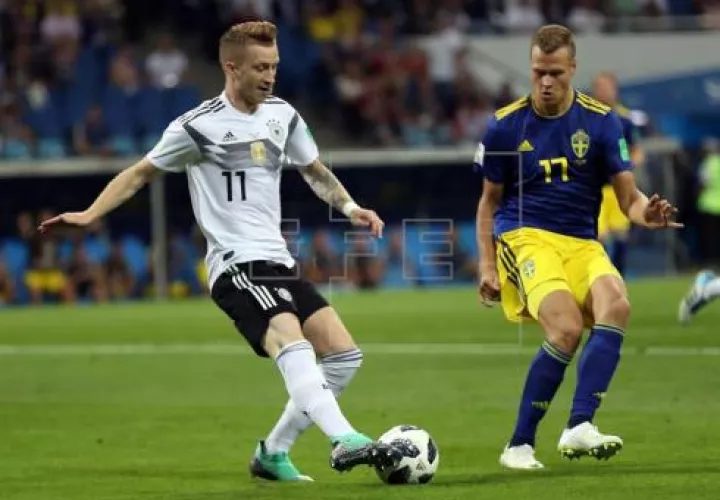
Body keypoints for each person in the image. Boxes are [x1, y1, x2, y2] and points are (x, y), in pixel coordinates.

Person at [39, 21, 411, 482]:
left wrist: (351, 206)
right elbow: (139, 174)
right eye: (260, 67)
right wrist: (90, 213)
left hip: (277, 261)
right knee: (289, 339)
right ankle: (345, 440)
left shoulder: (283, 116)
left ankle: (273, 453)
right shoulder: (197, 126)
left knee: (343, 356)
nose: (270, 75)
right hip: (235, 264)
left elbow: (313, 170)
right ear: (230, 67)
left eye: (274, 66)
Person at [474, 24, 681, 470]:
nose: (546, 82)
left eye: (555, 73)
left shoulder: (603, 121)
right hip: (526, 236)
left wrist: (650, 214)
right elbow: (488, 204)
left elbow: (629, 198)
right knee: (566, 329)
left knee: (617, 305)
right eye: (538, 73)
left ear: (573, 68)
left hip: (582, 241)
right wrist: (488, 266)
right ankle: (519, 444)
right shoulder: (504, 126)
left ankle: (579, 426)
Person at [593, 71, 646, 276]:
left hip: (618, 189)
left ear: (615, 90)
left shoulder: (625, 119)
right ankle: (604, 278)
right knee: (598, 239)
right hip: (595, 188)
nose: (602, 91)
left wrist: (625, 167)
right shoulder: (588, 118)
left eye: (606, 87)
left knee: (621, 237)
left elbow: (637, 151)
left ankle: (619, 276)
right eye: (599, 87)